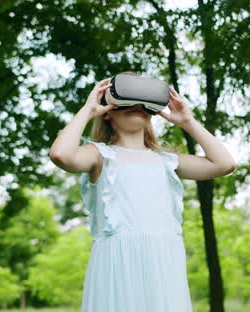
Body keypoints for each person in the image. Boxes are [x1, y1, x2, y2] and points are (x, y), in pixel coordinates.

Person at [49, 72, 237, 312]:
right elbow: (61, 155)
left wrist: (188, 122)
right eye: (128, 102)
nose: (138, 107)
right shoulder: (99, 155)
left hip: (164, 266)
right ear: (108, 113)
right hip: (117, 267)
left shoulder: (167, 161)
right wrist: (88, 109)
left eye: (144, 105)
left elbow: (224, 164)